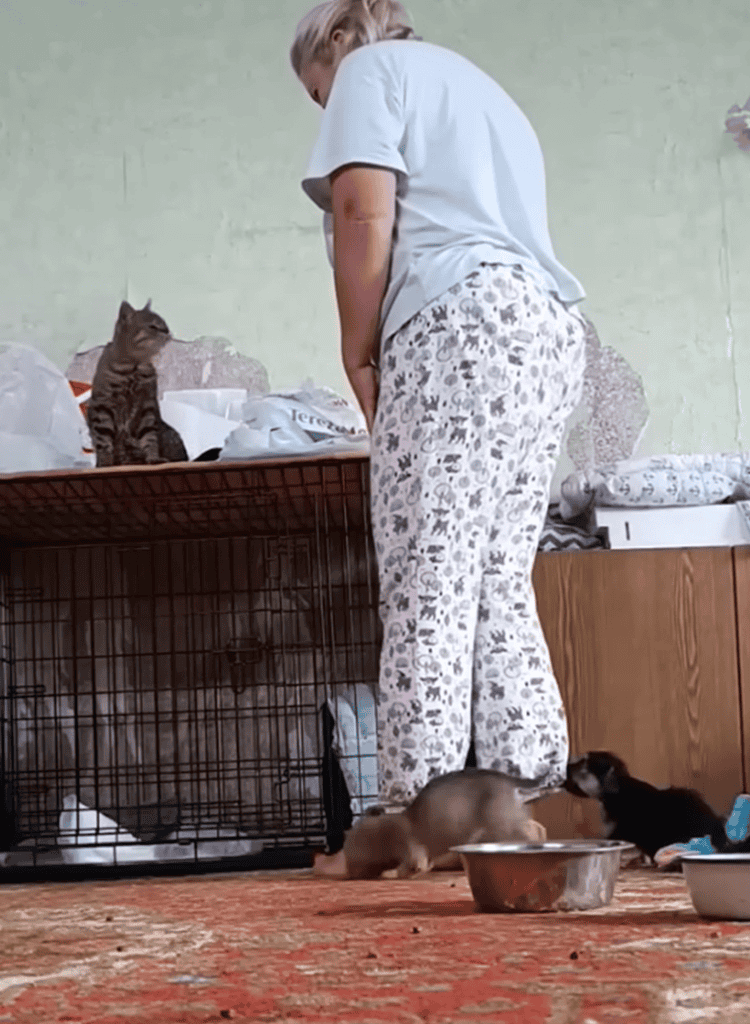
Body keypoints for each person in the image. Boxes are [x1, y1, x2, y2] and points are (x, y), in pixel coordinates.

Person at [291, 0, 587, 833]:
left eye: (317, 95)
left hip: (457, 326)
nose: (326, 110)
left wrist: (357, 349)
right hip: (545, 332)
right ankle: (514, 803)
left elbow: (363, 211)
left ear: (336, 45)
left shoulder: (367, 70)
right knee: (497, 577)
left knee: (429, 577)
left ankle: (417, 817)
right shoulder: (480, 90)